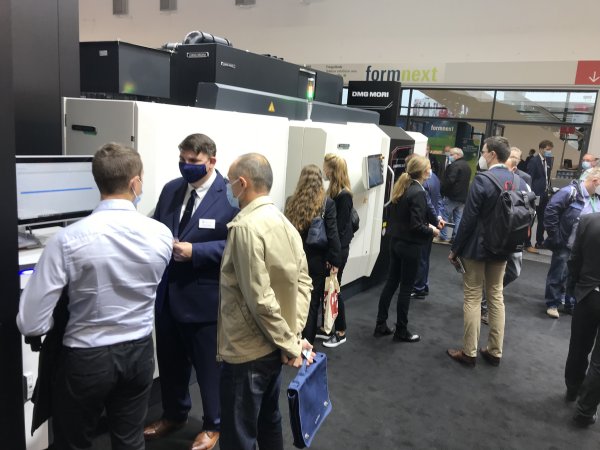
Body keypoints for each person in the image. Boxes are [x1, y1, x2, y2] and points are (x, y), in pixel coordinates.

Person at [17, 143, 173, 449]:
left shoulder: (66, 240)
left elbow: (31, 323)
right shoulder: (161, 235)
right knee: (130, 441)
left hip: (86, 358)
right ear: (135, 183)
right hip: (140, 354)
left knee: (73, 442)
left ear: (98, 181)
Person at [145, 133, 238, 450]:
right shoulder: (171, 189)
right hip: (167, 296)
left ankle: (214, 424)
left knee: (209, 369)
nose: (187, 166)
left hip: (205, 300)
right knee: (170, 364)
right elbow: (155, 225)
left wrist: (196, 252)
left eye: (194, 161)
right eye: (183, 160)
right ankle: (174, 415)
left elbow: (238, 245)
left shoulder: (230, 196)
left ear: (212, 161)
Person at [218, 153, 314, 450]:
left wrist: (290, 343)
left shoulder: (245, 228)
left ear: (242, 183)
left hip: (248, 351)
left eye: (229, 182)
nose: (228, 188)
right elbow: (303, 284)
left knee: (238, 434)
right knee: (268, 420)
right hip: (274, 346)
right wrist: (291, 336)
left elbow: (260, 300)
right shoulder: (284, 223)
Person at [447, 136, 529, 367]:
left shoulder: (482, 180)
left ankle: (469, 352)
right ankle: (494, 351)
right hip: (503, 248)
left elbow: (468, 220)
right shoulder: (518, 181)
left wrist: (455, 250)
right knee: (496, 296)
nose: (481, 156)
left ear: (492, 154)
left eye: (483, 152)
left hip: (477, 248)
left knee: (473, 297)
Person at [374, 155, 439, 343]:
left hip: (396, 243)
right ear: (424, 172)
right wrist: (432, 231)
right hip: (410, 246)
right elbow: (417, 225)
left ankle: (381, 324)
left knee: (391, 283)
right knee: (405, 288)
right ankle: (401, 330)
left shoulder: (403, 187)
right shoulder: (418, 192)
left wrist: (431, 223)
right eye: (428, 168)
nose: (430, 171)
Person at [285, 164, 341, 344]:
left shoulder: (290, 201)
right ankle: (306, 344)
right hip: (316, 260)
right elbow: (332, 235)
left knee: (291, 300)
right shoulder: (327, 204)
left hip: (293, 258)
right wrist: (335, 260)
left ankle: (290, 340)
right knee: (311, 303)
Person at [480, 152, 530, 324]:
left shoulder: (522, 183)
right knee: (490, 271)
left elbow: (529, 209)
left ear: (513, 169)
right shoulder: (490, 181)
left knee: (514, 271)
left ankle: (487, 296)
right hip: (494, 236)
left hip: (514, 235)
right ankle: (485, 306)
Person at [543, 167, 600, 319]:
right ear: (595, 181)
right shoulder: (570, 192)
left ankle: (570, 303)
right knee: (558, 274)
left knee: (575, 276)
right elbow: (551, 211)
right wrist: (556, 236)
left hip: (584, 247)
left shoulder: (596, 198)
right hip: (566, 242)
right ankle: (552, 303)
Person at [564, 212, 600, 426]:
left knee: (578, 346)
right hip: (587, 290)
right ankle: (585, 411)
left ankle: (572, 388)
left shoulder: (589, 220)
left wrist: (575, 287)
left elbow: (574, 258)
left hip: (587, 293)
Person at [320, 153, 354, 348]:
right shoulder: (335, 192)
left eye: (325, 167)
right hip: (334, 251)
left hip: (338, 252)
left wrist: (334, 259)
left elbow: (339, 231)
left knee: (335, 291)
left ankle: (341, 332)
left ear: (332, 170)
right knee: (329, 290)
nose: (323, 170)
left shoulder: (344, 196)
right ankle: (327, 327)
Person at [407, 153, 444, 299]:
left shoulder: (422, 185)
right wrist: (438, 218)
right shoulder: (434, 178)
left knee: (420, 258)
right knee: (424, 258)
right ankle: (423, 285)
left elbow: (426, 205)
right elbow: (438, 199)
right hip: (430, 223)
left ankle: (418, 287)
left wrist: (432, 223)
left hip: (425, 225)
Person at [525, 139, 554, 253]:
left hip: (545, 194)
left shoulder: (549, 160)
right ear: (541, 149)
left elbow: (547, 176)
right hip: (535, 194)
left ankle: (540, 242)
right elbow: (530, 178)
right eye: (547, 149)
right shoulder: (534, 161)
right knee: (531, 219)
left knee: (543, 218)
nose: (549, 152)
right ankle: (527, 243)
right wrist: (531, 193)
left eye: (550, 150)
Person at [438, 147, 471, 243]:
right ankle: (456, 238)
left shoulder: (454, 166)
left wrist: (442, 190)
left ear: (458, 155)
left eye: (451, 154)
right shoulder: (467, 166)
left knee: (444, 216)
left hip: (451, 196)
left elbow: (449, 181)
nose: (449, 156)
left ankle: (443, 236)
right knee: (458, 218)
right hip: (462, 198)